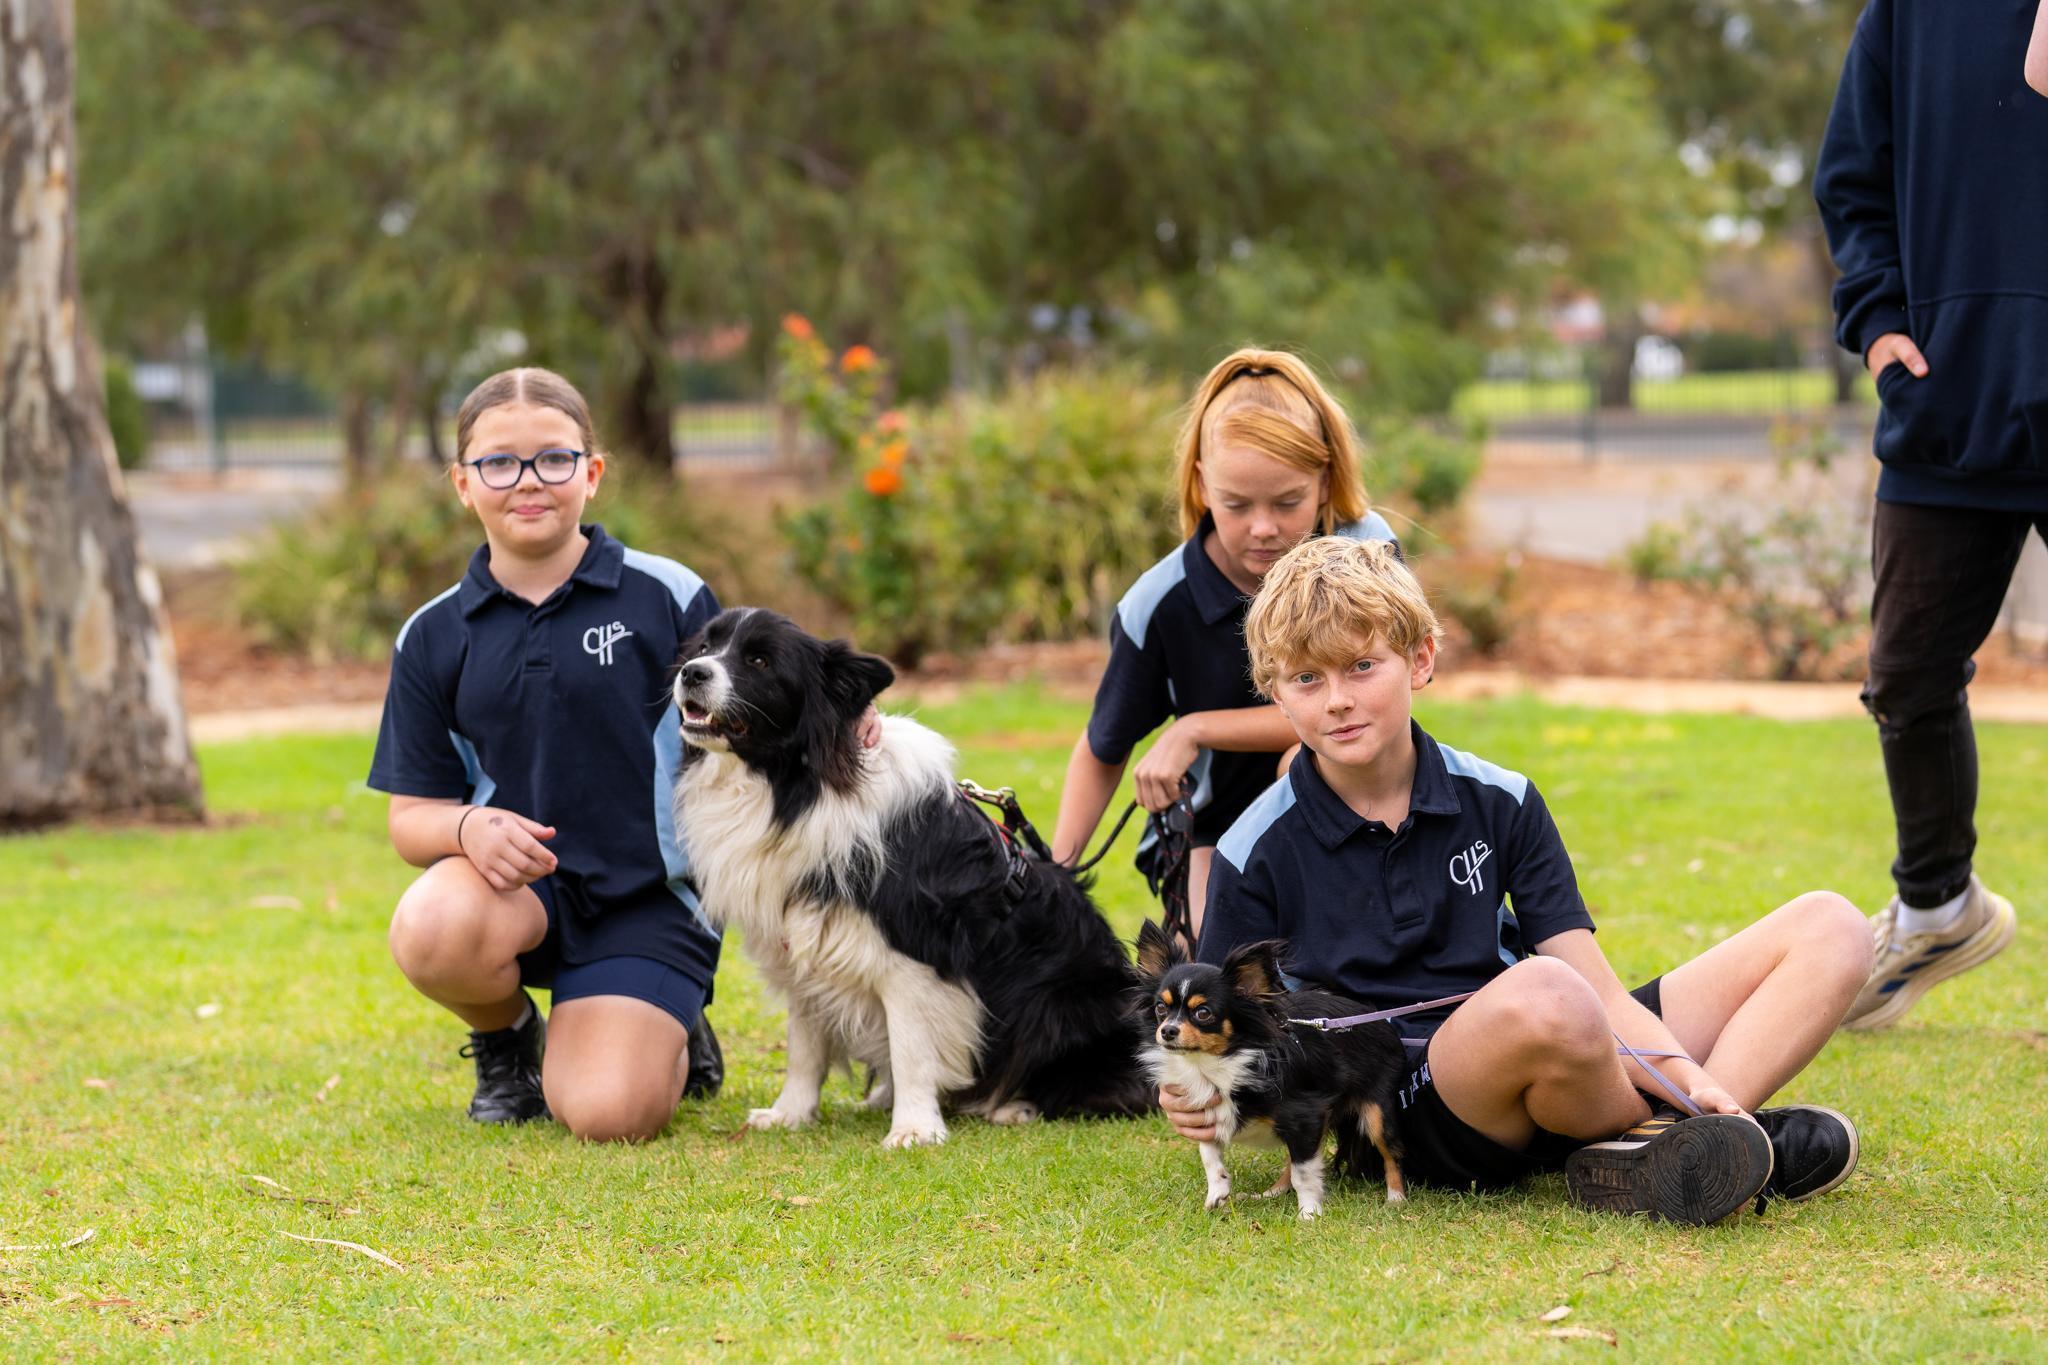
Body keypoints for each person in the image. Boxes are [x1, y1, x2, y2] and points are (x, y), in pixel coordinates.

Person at [1160, 537, 1872, 1221]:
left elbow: (1596, 988)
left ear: (1420, 658)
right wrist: (1189, 1089)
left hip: (1558, 1043)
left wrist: (1694, 1078)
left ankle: (1697, 1133)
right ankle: (1704, 1141)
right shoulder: (1253, 846)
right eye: (1307, 679)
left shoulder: (1502, 798)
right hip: (1409, 1101)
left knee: (1831, 927)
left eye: (1361, 666)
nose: (1337, 699)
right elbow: (1222, 1027)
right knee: (1545, 994)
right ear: (1276, 694)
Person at [368, 367, 728, 1141]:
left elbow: (760, 702)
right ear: (463, 483)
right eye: (499, 462)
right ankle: (507, 1039)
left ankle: (669, 1010)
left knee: (610, 1114)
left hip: (648, 898)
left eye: (554, 458)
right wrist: (468, 828)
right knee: (428, 924)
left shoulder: (665, 594)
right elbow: (411, 818)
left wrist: (849, 711)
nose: (528, 480)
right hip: (518, 893)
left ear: (591, 473)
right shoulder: (432, 634)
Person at [1813, 0, 2043, 1030]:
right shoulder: (1907, 12)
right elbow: (1852, 176)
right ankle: (1937, 907)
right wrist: (1877, 324)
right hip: (1948, 403)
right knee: (1904, 676)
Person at [1049, 348, 1395, 943]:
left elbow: (1363, 707)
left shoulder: (1365, 553)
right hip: (1211, 827)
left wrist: (1195, 728)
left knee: (1305, 762)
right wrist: (1054, 880)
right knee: (1219, 966)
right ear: (1202, 483)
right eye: (1237, 505)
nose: (1263, 527)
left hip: (1368, 803)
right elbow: (1104, 746)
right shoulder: (1157, 603)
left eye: (1286, 502)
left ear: (1324, 479)